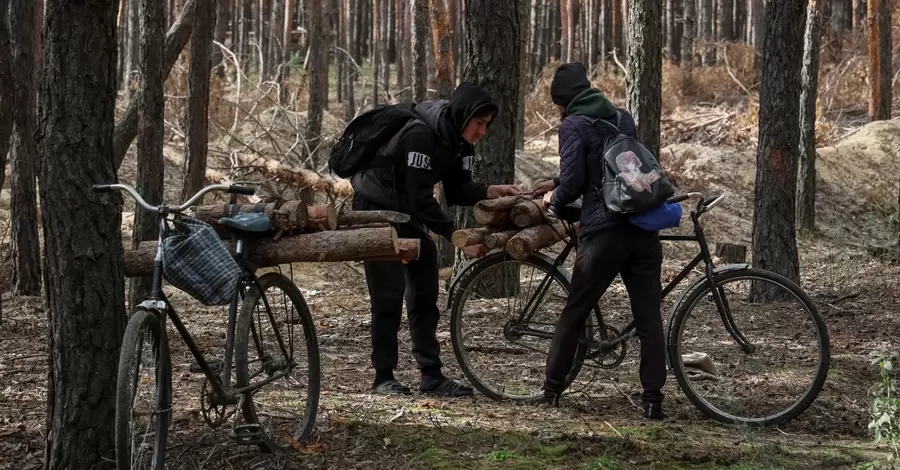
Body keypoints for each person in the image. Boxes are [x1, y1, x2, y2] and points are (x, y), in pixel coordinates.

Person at [350, 82, 522, 397]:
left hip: (404, 210)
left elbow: (456, 190)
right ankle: (383, 377)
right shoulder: (420, 136)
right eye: (479, 123)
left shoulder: (458, 141)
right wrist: (456, 237)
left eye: (487, 125)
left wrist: (488, 191)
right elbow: (419, 196)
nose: (483, 131)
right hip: (375, 209)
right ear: (464, 115)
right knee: (388, 295)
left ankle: (431, 375)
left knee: (426, 291)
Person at [531, 63, 667, 419]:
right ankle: (653, 399)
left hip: (605, 235)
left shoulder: (572, 124)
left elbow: (576, 183)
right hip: (642, 230)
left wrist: (553, 199)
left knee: (575, 309)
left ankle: (551, 390)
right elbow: (617, 167)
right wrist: (561, 180)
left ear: (561, 103)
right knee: (649, 319)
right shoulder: (621, 118)